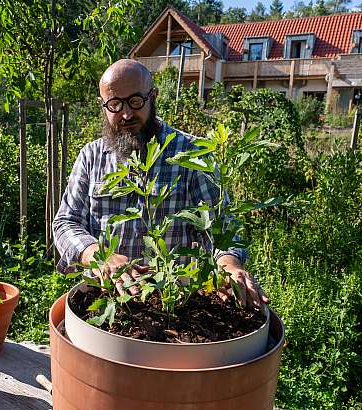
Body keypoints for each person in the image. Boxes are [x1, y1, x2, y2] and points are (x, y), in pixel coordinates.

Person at [53, 59, 268, 309]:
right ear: (103, 106)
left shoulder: (191, 154)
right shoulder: (91, 156)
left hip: (174, 303)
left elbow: (221, 228)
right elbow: (65, 223)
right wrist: (97, 255)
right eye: (114, 104)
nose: (126, 114)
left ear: (152, 96)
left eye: (135, 101)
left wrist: (229, 265)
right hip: (105, 296)